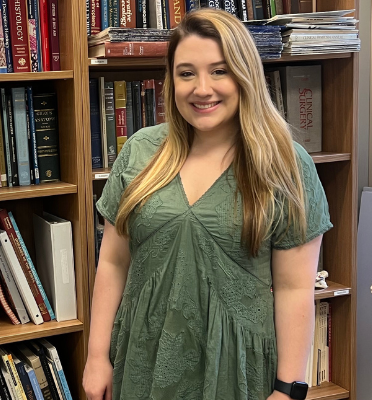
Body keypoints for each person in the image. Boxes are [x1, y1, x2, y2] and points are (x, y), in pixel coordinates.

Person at [82, 8, 332, 400]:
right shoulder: (140, 152)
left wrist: (288, 388)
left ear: (245, 74)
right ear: (172, 81)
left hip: (235, 368)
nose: (202, 88)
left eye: (219, 71)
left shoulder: (286, 164)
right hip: (143, 358)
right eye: (186, 73)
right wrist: (97, 355)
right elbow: (113, 261)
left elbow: (293, 289)